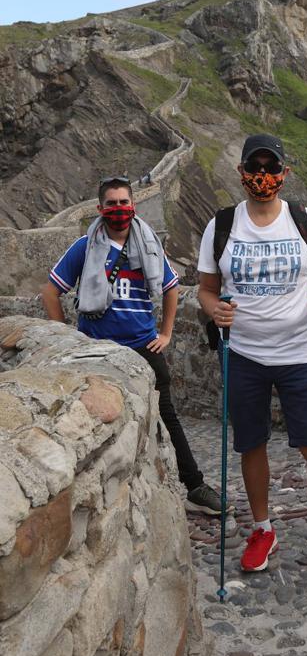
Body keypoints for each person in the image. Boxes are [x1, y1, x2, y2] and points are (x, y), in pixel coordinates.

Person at [197, 133, 307, 586]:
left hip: (300, 350)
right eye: (255, 167)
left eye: (272, 168)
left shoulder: (306, 221)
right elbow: (206, 289)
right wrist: (215, 310)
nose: (263, 176)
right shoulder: (223, 224)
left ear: (285, 174)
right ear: (242, 172)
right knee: (251, 444)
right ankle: (263, 530)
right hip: (243, 352)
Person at [41, 175, 225, 515]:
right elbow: (51, 291)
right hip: (96, 350)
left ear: (133, 206)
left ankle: (194, 485)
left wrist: (166, 333)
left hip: (143, 345)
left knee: (167, 416)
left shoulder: (148, 245)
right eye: (111, 204)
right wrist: (65, 335)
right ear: (100, 209)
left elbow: (172, 287)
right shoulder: (84, 247)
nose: (119, 209)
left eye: (124, 203)